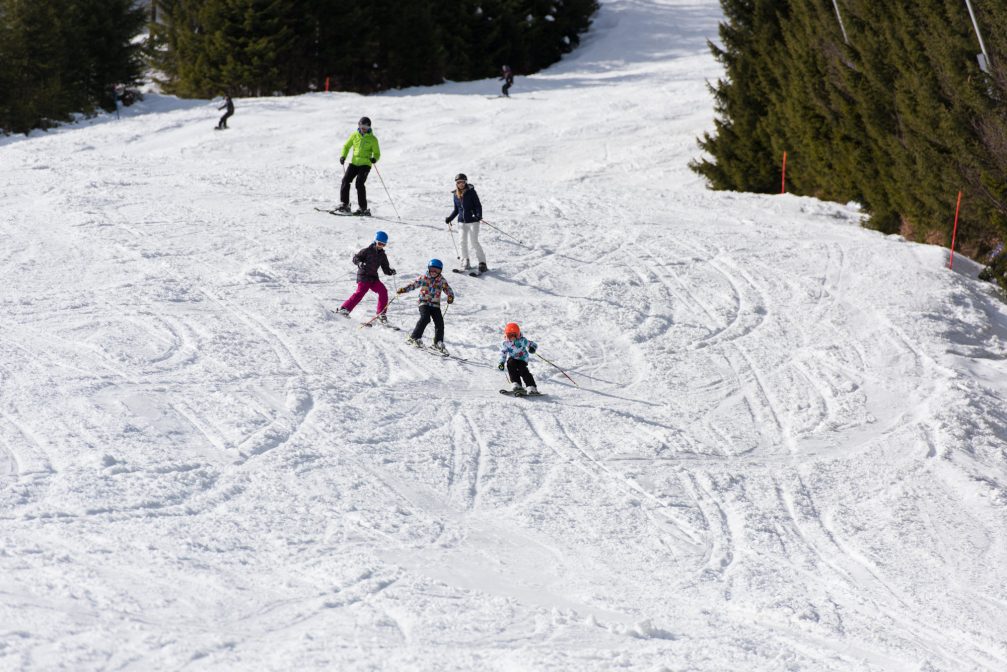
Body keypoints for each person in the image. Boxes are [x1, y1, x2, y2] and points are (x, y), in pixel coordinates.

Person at [337, 230, 396, 322]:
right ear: (375, 241)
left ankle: (381, 314)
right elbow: (355, 258)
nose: (381, 246)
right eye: (380, 243)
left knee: (383, 291)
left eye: (383, 244)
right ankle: (345, 309)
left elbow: (386, 269)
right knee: (361, 292)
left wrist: (390, 271)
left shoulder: (382, 255)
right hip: (364, 275)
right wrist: (360, 263)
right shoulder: (367, 251)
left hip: (373, 278)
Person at [397, 258, 455, 352]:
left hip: (435, 305)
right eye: (432, 269)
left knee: (439, 322)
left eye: (437, 270)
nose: (434, 272)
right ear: (428, 268)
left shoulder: (442, 280)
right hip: (423, 302)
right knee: (425, 318)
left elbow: (448, 289)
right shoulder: (424, 277)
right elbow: (414, 284)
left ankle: (438, 342)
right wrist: (404, 289)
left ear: (440, 271)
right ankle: (414, 337)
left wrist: (450, 296)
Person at [337, 116, 381, 216]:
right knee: (345, 180)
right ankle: (345, 204)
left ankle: (363, 208)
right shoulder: (354, 135)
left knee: (359, 184)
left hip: (365, 164)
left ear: (369, 127)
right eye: (361, 125)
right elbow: (346, 146)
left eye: (365, 126)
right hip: (354, 163)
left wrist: (375, 159)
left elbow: (377, 153)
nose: (363, 128)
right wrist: (343, 156)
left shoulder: (373, 139)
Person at [444, 173, 487, 273]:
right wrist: (450, 218)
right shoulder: (455, 194)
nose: (461, 184)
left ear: (465, 182)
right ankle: (465, 261)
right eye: (459, 182)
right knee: (462, 242)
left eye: (463, 182)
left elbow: (478, 205)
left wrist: (478, 215)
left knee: (474, 242)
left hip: (473, 221)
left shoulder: (471, 192)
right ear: (456, 183)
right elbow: (456, 209)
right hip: (461, 222)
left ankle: (482, 263)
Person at [498, 322, 540, 396]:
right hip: (513, 358)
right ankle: (516, 384)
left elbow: (534, 344)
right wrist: (501, 362)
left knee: (522, 370)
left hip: (522, 359)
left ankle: (531, 386)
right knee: (510, 364)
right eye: (510, 335)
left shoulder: (522, 340)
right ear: (506, 335)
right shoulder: (505, 343)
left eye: (514, 335)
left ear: (518, 334)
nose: (512, 337)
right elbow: (503, 352)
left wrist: (532, 348)